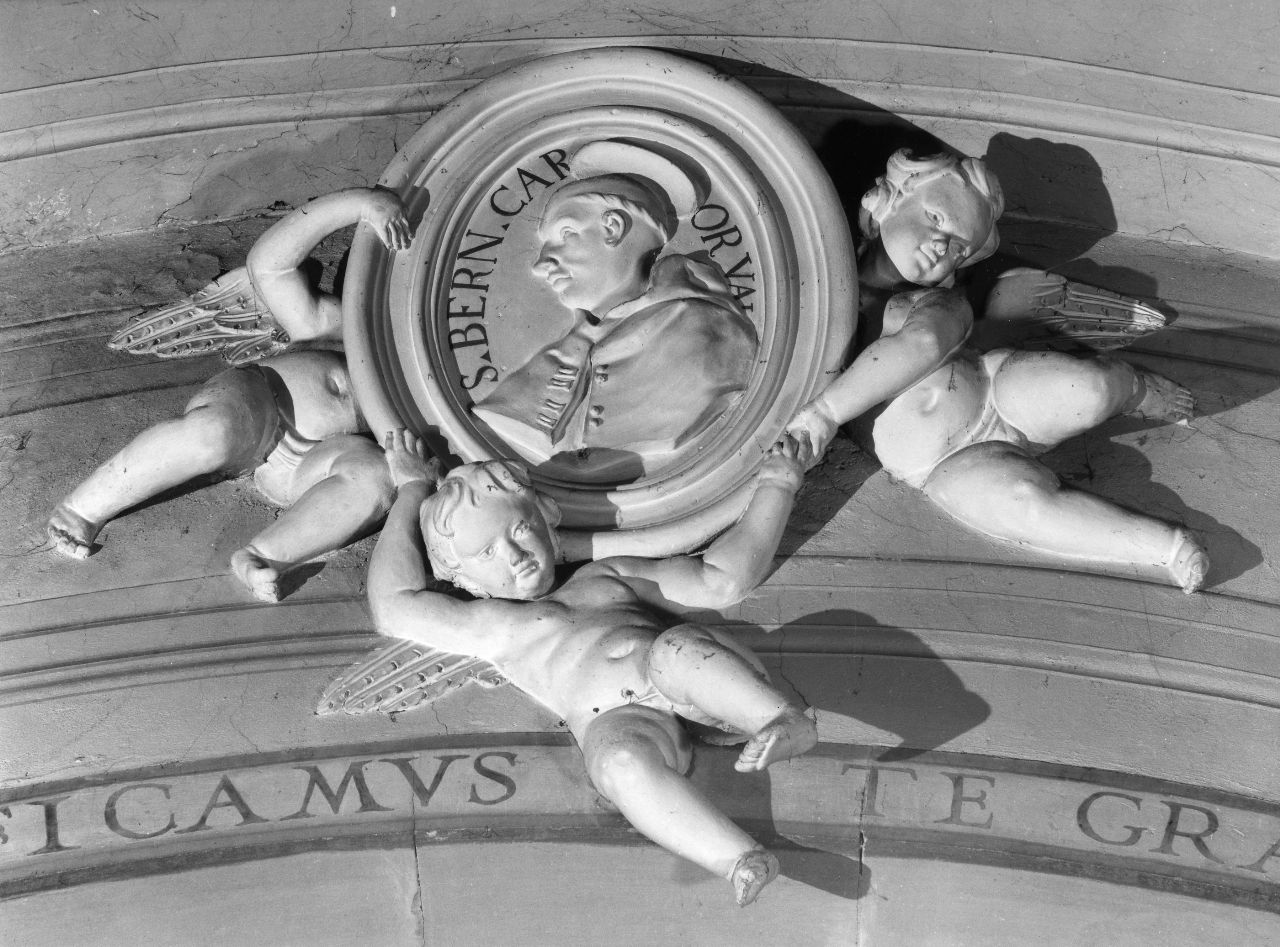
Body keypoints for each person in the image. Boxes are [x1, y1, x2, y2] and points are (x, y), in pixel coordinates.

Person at [368, 429, 819, 906]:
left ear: (545, 519)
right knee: (617, 763)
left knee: (678, 650)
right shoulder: (492, 625)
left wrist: (779, 484)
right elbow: (393, 606)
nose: (515, 557)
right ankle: (738, 859)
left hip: (677, 676)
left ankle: (780, 720)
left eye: (518, 530)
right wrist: (411, 488)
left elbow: (720, 579)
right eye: (487, 553)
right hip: (615, 718)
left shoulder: (605, 574)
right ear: (462, 578)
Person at [784, 150, 1208, 592]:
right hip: (942, 465)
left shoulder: (937, 301)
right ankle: (1169, 548)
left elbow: (923, 343)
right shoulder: (815, 294)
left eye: (959, 248)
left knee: (1091, 388)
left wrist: (826, 413)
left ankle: (1137, 390)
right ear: (886, 203)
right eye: (935, 218)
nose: (942, 245)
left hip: (996, 391)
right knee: (1024, 506)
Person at [46, 188, 414, 602]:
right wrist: (361, 205)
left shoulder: (419, 378)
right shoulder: (334, 322)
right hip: (261, 401)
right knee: (213, 433)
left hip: (311, 462)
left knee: (376, 477)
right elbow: (269, 265)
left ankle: (264, 557)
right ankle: (81, 510)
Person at [472, 142, 758, 475]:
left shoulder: (707, 334)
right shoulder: (572, 343)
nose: (540, 264)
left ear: (613, 228)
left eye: (565, 234)